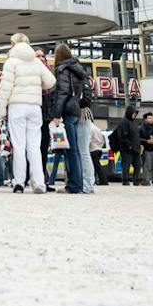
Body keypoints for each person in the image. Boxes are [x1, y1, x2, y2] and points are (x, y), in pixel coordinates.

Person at [0, 34, 56, 194]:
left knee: (19, 145)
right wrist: (36, 84)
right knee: (34, 146)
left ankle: (19, 182)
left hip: (17, 106)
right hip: (35, 106)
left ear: (13, 44)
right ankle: (39, 183)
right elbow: (51, 81)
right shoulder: (36, 61)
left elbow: (5, 88)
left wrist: (0, 111)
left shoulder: (11, 62)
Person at [49, 43, 91, 194]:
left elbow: (62, 93)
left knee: (71, 151)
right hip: (75, 112)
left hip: (66, 112)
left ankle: (74, 185)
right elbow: (86, 93)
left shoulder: (62, 70)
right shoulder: (79, 69)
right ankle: (77, 184)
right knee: (75, 150)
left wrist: (56, 114)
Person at [114, 105, 142, 186]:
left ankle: (136, 180)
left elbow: (136, 135)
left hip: (136, 148)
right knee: (126, 165)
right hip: (127, 149)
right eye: (133, 113)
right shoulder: (124, 122)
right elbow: (122, 136)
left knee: (138, 164)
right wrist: (129, 145)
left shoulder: (134, 122)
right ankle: (125, 180)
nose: (134, 115)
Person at [138, 111, 153, 186]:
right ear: (145, 119)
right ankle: (146, 181)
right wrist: (146, 141)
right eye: (149, 118)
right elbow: (137, 138)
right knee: (147, 166)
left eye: (152, 118)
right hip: (146, 150)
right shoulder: (141, 128)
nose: (151, 119)